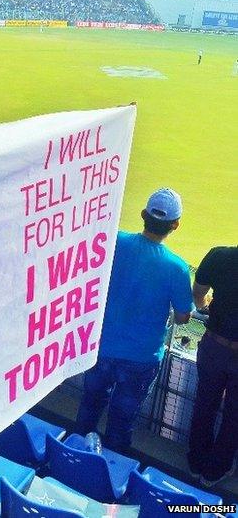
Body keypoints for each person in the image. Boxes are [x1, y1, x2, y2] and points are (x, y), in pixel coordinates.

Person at [75, 188, 193, 452]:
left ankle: (73, 459)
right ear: (175, 225)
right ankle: (109, 473)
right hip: (141, 358)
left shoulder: (114, 241)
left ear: (143, 215)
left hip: (100, 347)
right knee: (121, 421)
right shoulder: (177, 267)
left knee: (89, 407)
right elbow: (184, 316)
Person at [187, 246, 238, 487]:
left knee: (205, 404)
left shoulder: (219, 256)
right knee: (234, 416)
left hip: (214, 347)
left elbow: (198, 294)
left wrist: (206, 305)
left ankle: (196, 462)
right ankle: (215, 471)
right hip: (219, 349)